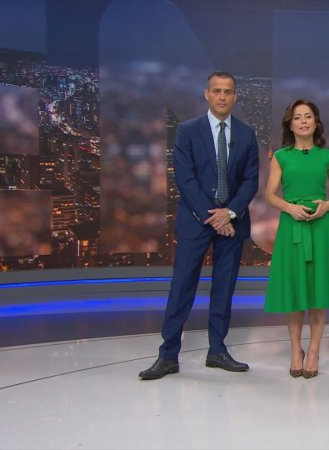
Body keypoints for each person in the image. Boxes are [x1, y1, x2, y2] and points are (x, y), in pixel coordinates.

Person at [139, 71, 259, 380]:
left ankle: (217, 350)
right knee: (182, 287)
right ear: (206, 94)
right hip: (196, 221)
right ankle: (168, 355)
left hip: (232, 223)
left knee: (224, 288)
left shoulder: (246, 134)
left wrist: (229, 213)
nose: (222, 96)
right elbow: (185, 178)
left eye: (228, 91)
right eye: (217, 90)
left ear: (235, 96)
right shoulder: (188, 131)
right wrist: (215, 217)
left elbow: (250, 181)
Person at [264, 99, 329, 378]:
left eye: (308, 116)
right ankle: (295, 351)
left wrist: (328, 205)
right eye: (298, 117)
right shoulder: (281, 156)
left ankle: (313, 351)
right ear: (290, 124)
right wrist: (289, 208)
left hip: (321, 228)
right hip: (292, 227)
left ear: (316, 122)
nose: (303, 121)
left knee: (317, 291)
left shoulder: (328, 157)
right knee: (295, 290)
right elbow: (269, 195)